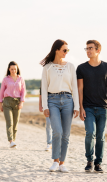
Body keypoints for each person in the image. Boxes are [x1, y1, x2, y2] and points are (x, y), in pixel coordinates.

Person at [76, 40, 107, 173]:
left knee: (100, 136)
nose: (88, 51)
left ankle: (98, 163)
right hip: (88, 107)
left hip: (103, 107)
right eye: (86, 48)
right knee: (90, 133)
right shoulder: (81, 68)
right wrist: (81, 107)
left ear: (98, 50)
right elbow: (80, 89)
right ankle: (89, 160)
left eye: (91, 48)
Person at [41, 39, 79, 173]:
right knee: (57, 131)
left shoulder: (70, 66)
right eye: (64, 50)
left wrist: (77, 107)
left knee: (66, 134)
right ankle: (55, 161)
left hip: (68, 100)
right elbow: (44, 88)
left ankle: (62, 163)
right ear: (57, 50)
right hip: (52, 100)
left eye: (67, 50)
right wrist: (45, 106)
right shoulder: (47, 67)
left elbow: (74, 87)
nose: (66, 52)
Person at [0, 61, 26, 148]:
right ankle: (11, 140)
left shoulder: (21, 79)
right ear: (9, 69)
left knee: (15, 123)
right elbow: (1, 92)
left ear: (17, 69)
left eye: (15, 69)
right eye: (11, 69)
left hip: (17, 102)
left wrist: (21, 102)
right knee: (9, 122)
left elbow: (23, 92)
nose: (13, 71)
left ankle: (13, 140)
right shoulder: (5, 79)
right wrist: (0, 103)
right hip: (7, 102)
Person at [39, 87, 52, 151]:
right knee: (48, 124)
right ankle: (49, 143)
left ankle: (58, 143)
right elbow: (41, 91)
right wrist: (40, 104)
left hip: (58, 101)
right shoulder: (44, 77)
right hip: (47, 103)